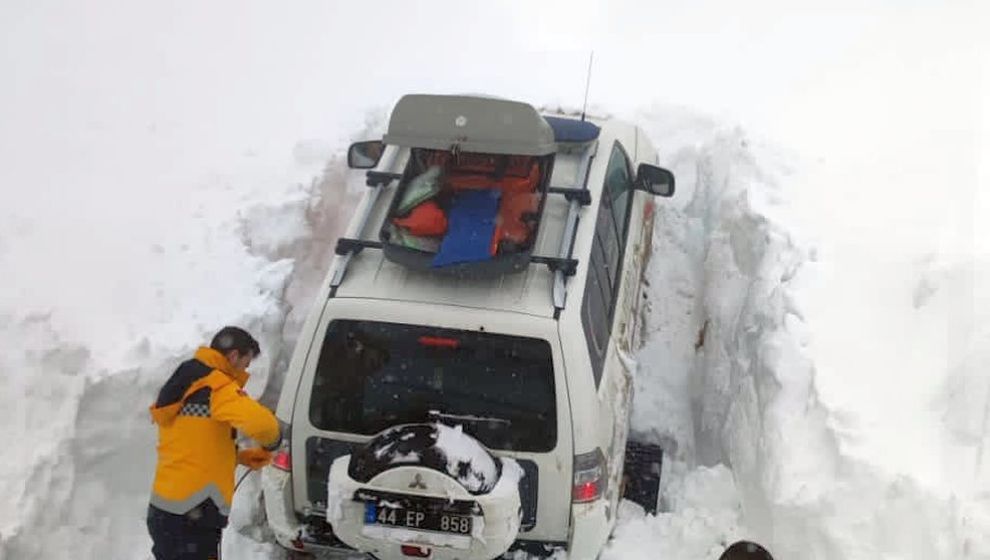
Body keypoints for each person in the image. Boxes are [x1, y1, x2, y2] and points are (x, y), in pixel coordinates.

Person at [147, 326, 282, 560]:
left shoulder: (186, 381)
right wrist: (274, 441)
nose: (244, 371)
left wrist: (238, 456)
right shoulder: (217, 386)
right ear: (233, 357)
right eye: (245, 364)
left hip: (165, 511)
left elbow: (191, 441)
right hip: (193, 515)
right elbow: (264, 425)